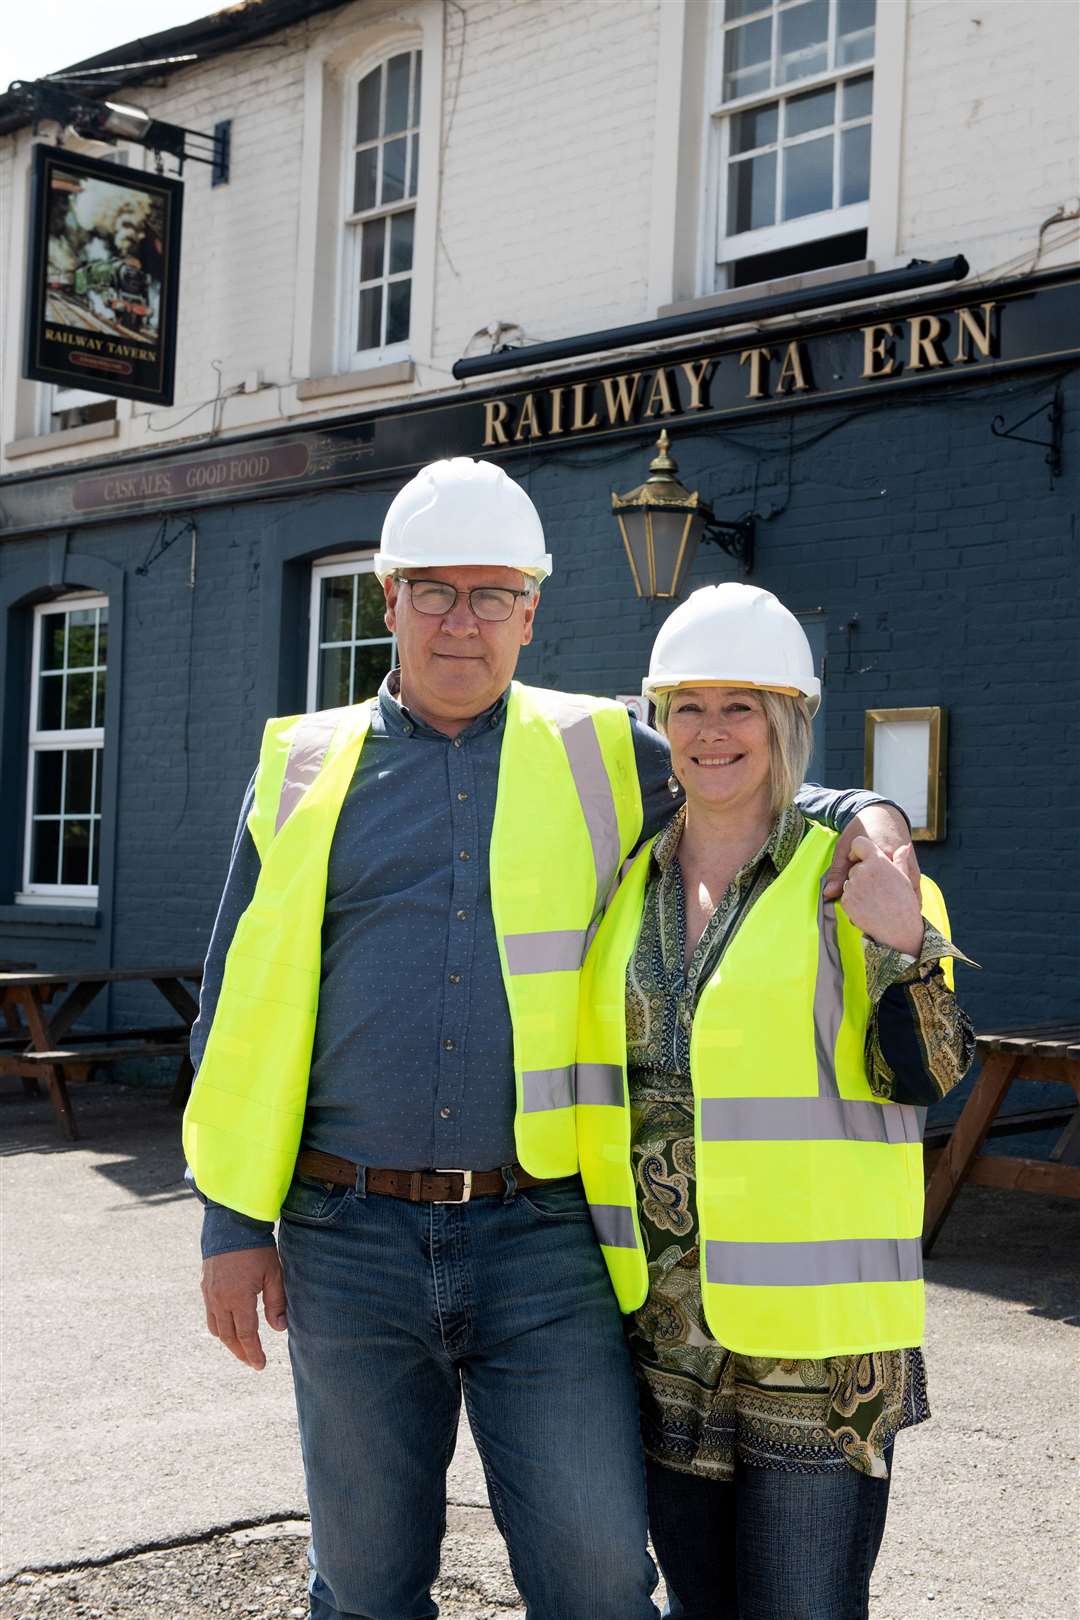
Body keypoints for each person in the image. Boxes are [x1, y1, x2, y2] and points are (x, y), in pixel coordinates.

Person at [184, 459, 916, 1620]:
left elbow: (744, 775)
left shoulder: (604, 750)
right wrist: (232, 1223)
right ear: (388, 601)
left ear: (532, 610)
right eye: (433, 590)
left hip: (543, 1236)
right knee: (367, 1587)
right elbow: (236, 1003)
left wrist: (872, 819)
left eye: (491, 595)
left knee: (596, 1582)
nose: (459, 621)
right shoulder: (302, 767)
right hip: (347, 1235)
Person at [577, 582, 975, 1620]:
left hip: (819, 1342)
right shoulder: (629, 878)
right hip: (667, 1338)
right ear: (659, 720)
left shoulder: (857, 869)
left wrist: (907, 945)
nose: (711, 732)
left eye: (741, 705)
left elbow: (928, 1074)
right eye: (689, 707)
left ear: (789, 718)